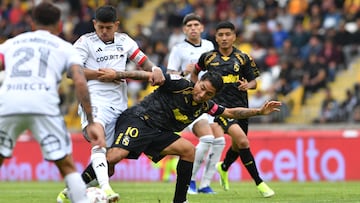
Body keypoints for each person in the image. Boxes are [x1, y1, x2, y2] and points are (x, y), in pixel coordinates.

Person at [80, 70, 282, 203]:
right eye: (202, 88)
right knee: (113, 159)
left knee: (188, 151)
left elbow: (230, 112)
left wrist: (259, 112)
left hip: (159, 133)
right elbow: (151, 74)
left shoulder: (205, 106)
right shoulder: (181, 84)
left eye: (209, 94)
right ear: (199, 81)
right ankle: (75, 188)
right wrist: (118, 73)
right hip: (139, 120)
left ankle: (180, 200)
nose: (202, 95)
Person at [55, 5, 165, 203]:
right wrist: (100, 75)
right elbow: (72, 72)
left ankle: (70, 192)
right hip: (94, 101)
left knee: (111, 161)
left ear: (116, 25)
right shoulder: (85, 42)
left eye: (108, 27)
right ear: (94, 24)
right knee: (98, 142)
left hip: (120, 106)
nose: (104, 31)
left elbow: (144, 61)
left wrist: (155, 68)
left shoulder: (124, 41)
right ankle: (105, 190)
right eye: (100, 27)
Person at [0, 2, 102, 203]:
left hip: (8, 104)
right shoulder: (64, 47)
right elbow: (80, 81)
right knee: (66, 164)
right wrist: (91, 121)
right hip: (44, 106)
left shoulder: (10, 43)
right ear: (60, 25)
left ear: (31, 23)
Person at [191, 21, 275, 198]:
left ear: (234, 37)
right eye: (220, 35)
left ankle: (223, 167)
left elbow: (254, 81)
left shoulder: (243, 58)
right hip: (219, 108)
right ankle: (260, 183)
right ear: (216, 37)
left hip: (241, 108)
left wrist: (248, 85)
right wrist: (195, 90)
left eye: (227, 34)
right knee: (243, 141)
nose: (224, 38)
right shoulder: (208, 57)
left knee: (238, 145)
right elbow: (194, 72)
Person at [167, 13, 221, 194]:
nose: (193, 28)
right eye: (189, 25)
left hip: (207, 99)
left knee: (219, 140)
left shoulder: (209, 46)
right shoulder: (178, 49)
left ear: (202, 27)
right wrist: (184, 72)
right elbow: (170, 76)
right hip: (188, 101)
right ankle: (188, 180)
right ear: (184, 29)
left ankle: (205, 184)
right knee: (207, 138)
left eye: (196, 24)